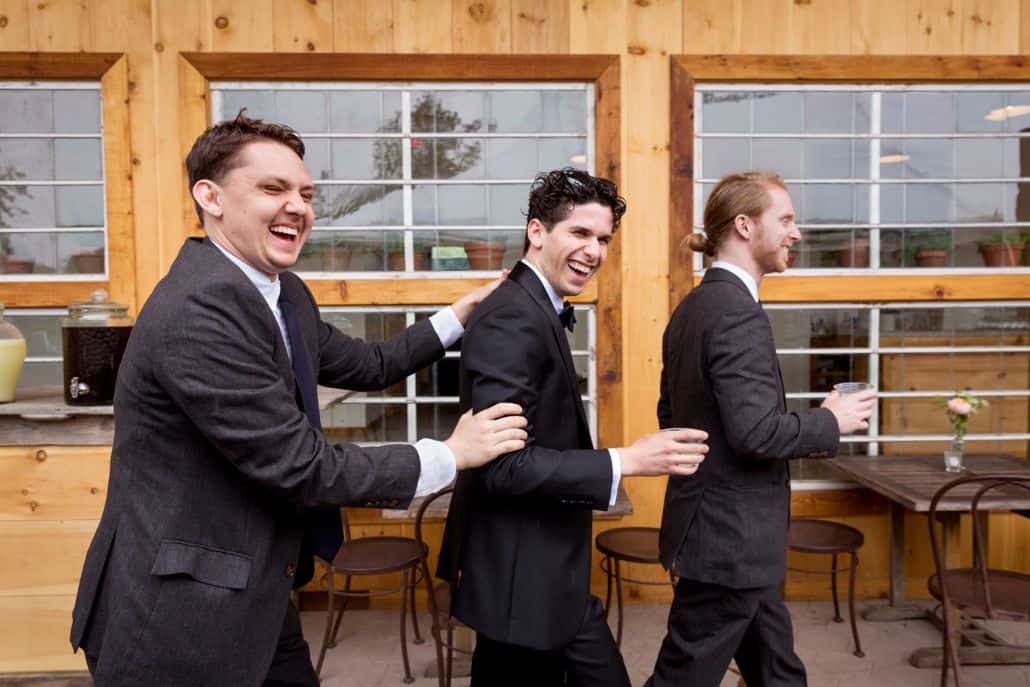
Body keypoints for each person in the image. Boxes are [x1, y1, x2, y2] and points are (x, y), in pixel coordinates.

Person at [69, 112, 528, 687]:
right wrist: (450, 454)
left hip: (256, 589)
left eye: (306, 193)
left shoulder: (282, 293)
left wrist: (462, 315)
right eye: (273, 189)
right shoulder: (199, 310)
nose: (299, 206)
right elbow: (298, 464)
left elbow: (369, 364)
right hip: (180, 611)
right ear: (209, 197)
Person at [438, 168, 709, 687]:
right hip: (523, 580)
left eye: (604, 238)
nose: (595, 250)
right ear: (537, 232)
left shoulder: (539, 307)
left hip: (545, 575)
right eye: (580, 233)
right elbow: (504, 466)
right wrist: (627, 460)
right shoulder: (513, 318)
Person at [646, 171, 876, 687]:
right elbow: (755, 434)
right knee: (683, 676)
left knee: (776, 669)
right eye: (787, 220)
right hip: (730, 543)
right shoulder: (735, 311)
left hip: (727, 538)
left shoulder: (693, 308)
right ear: (745, 226)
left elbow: (673, 416)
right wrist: (829, 421)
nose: (797, 233)